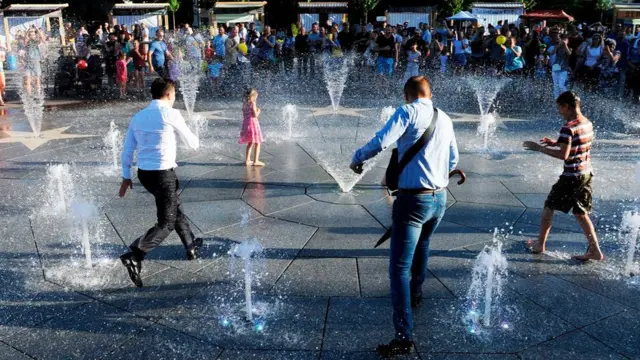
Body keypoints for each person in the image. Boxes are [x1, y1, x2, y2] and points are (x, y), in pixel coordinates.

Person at [350, 76, 458, 357]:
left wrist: (357, 157)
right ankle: (417, 294)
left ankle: (403, 336)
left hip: (413, 200)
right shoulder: (444, 118)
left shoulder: (407, 111)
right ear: (430, 93)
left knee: (398, 268)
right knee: (423, 246)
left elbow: (381, 141)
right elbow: (454, 158)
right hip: (440, 198)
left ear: (407, 94)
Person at [119, 78, 202, 288]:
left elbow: (127, 149)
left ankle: (191, 246)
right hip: (164, 175)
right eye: (174, 94)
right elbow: (193, 143)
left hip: (145, 175)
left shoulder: (138, 117)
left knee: (175, 209)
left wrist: (125, 176)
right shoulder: (170, 113)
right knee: (167, 222)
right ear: (169, 94)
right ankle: (136, 254)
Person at [523, 91, 603, 262]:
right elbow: (579, 145)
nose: (559, 112)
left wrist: (539, 148)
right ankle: (595, 251)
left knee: (548, 207)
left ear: (567, 106)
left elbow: (563, 155)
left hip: (571, 177)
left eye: (560, 108)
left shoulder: (568, 127)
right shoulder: (587, 123)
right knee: (581, 213)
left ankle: (539, 245)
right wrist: (556, 142)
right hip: (586, 173)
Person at [239, 89, 265, 167]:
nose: (256, 98)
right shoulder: (253, 103)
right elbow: (255, 115)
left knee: (250, 142)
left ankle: (247, 160)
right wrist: (259, 110)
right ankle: (256, 161)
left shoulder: (244, 104)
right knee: (258, 142)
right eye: (256, 96)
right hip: (253, 124)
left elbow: (244, 115)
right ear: (253, 96)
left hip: (246, 124)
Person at [550, 34, 572, 99]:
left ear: (567, 41)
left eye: (565, 40)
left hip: (564, 68)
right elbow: (552, 53)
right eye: (562, 39)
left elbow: (569, 53)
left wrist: (565, 45)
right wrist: (558, 45)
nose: (563, 41)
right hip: (556, 67)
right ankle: (556, 99)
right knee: (556, 85)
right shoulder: (557, 46)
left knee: (561, 85)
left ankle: (569, 97)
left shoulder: (569, 48)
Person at [0, 41, 5, 106]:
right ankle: (0, 100)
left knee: (3, 84)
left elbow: (3, 59)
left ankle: (3, 94)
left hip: (0, 69)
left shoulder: (1, 51)